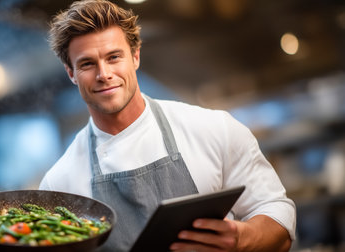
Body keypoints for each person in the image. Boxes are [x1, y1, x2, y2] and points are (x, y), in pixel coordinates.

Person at [39, 0, 296, 251]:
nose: (103, 73)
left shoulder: (214, 128)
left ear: (135, 56)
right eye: (87, 63)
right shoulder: (59, 184)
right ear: (71, 73)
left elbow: (277, 213)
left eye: (114, 57)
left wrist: (242, 239)